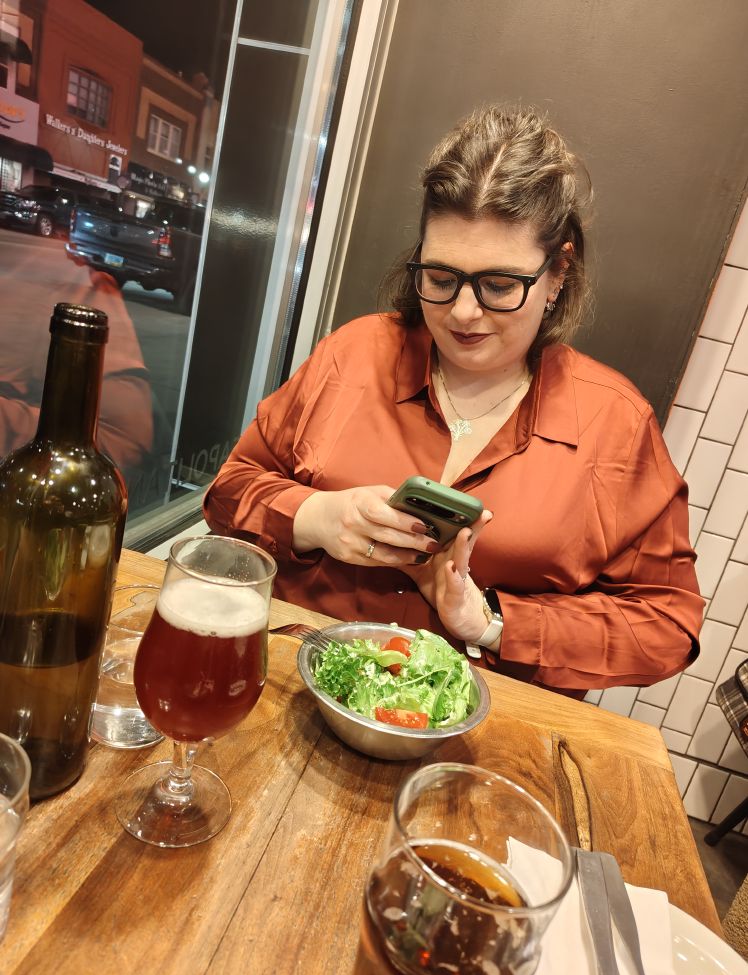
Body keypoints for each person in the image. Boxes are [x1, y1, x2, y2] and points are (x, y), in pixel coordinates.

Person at [204, 105, 703, 697]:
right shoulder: (354, 355)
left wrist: (492, 621)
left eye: (499, 286)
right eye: (441, 278)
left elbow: (667, 625)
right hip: (295, 691)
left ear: (559, 273)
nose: (464, 312)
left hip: (482, 739)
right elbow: (231, 489)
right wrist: (316, 519)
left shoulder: (613, 423)